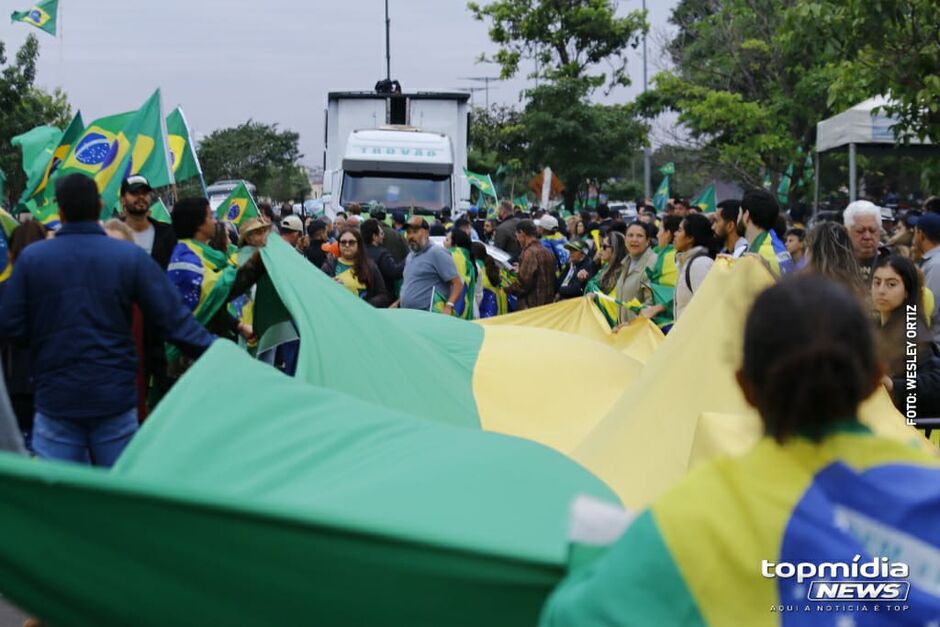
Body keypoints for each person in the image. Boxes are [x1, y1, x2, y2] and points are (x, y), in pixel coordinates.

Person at [540, 275, 940, 626]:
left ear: (746, 386)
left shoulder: (691, 516)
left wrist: (591, 558)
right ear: (873, 379)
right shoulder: (929, 485)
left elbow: (571, 616)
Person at [0, 174, 214, 467]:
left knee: (60, 497)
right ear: (100, 205)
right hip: (115, 398)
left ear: (60, 212)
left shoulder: (32, 260)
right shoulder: (129, 256)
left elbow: (12, 326)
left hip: (56, 400)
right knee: (119, 495)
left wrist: (49, 344)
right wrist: (221, 352)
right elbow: (175, 323)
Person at [168, 197, 263, 346]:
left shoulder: (198, 254)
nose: (214, 222)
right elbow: (219, 290)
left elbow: (214, 306)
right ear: (198, 224)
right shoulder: (186, 259)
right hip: (190, 353)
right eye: (210, 216)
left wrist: (239, 327)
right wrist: (255, 263)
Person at [871, 255, 940, 416]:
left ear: (907, 291)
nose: (881, 290)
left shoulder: (911, 330)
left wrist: (892, 385)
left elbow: (934, 383)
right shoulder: (874, 327)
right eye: (877, 282)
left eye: (891, 284)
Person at [397, 216, 463, 315]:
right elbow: (410, 286)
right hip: (408, 316)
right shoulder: (410, 257)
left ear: (426, 233)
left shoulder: (436, 253)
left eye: (415, 232)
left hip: (428, 317)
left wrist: (449, 306)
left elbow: (458, 283)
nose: (410, 236)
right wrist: (397, 303)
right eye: (409, 232)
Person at [321, 227, 391, 308]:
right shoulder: (328, 266)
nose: (347, 245)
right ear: (339, 244)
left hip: (362, 315)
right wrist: (328, 285)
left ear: (359, 244)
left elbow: (383, 295)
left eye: (351, 242)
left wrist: (364, 304)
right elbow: (319, 294)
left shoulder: (370, 266)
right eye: (343, 242)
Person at [802, 221, 868, 304]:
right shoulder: (855, 287)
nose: (805, 253)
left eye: (807, 247)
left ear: (814, 252)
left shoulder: (807, 291)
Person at [672, 213, 716, 320]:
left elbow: (707, 307)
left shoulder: (700, 264)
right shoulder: (687, 262)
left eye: (679, 230)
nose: (675, 234)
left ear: (690, 238)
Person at [505, 219, 556, 310]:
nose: (517, 239)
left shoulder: (529, 253)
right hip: (547, 306)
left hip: (531, 307)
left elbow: (523, 284)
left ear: (522, 233)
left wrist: (506, 289)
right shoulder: (547, 252)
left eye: (517, 235)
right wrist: (521, 268)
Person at [616, 222, 657, 324]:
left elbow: (651, 305)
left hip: (640, 332)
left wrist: (631, 325)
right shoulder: (626, 262)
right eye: (630, 235)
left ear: (647, 241)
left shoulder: (653, 263)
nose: (634, 239)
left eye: (639, 236)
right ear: (625, 240)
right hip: (625, 331)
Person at [586, 231, 628, 327]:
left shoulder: (623, 271)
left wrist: (596, 298)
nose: (600, 250)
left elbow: (617, 302)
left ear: (616, 249)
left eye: (604, 247)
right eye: (600, 246)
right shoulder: (605, 267)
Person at [912, 212, 940, 341]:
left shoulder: (936, 265)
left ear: (921, 235)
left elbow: (929, 308)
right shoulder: (933, 261)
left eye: (915, 232)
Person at [844, 199, 888, 280]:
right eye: (860, 231)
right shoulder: (834, 264)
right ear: (847, 232)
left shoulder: (891, 263)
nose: (867, 236)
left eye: (872, 230)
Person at [361, 218, 404, 294]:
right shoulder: (382, 254)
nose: (383, 237)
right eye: (381, 234)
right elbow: (394, 272)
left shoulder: (359, 252)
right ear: (374, 236)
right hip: (382, 295)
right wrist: (409, 259)